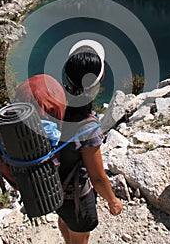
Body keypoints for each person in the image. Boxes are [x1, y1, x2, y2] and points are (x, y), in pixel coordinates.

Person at [56, 40, 123, 244]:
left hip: (54, 188)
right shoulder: (88, 125)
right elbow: (98, 177)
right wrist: (112, 200)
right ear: (100, 77)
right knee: (81, 236)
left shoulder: (57, 103)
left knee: (65, 222)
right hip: (76, 196)